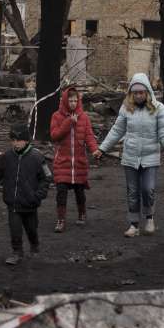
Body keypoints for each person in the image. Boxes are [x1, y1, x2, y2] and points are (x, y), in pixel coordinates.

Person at [94, 73, 164, 237]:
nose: (139, 95)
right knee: (132, 192)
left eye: (141, 92)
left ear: (147, 92)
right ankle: (134, 225)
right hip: (130, 157)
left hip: (150, 157)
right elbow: (117, 131)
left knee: (148, 189)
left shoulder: (158, 108)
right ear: (131, 93)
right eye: (135, 92)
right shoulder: (126, 108)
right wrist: (102, 148)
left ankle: (149, 218)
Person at [0, 123, 52, 266]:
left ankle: (34, 244)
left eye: (18, 140)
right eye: (13, 140)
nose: (15, 143)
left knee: (31, 229)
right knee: (15, 229)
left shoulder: (37, 157)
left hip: (30, 204)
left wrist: (38, 195)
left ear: (26, 140)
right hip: (13, 203)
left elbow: (46, 177)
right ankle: (17, 252)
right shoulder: (7, 156)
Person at [49, 86, 98, 233]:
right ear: (65, 100)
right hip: (62, 161)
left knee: (79, 191)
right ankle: (61, 220)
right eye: (70, 100)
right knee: (61, 191)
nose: (73, 103)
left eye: (75, 100)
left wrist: (95, 149)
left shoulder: (84, 117)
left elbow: (89, 136)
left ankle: (82, 213)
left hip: (79, 162)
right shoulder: (56, 116)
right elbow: (54, 135)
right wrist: (69, 122)